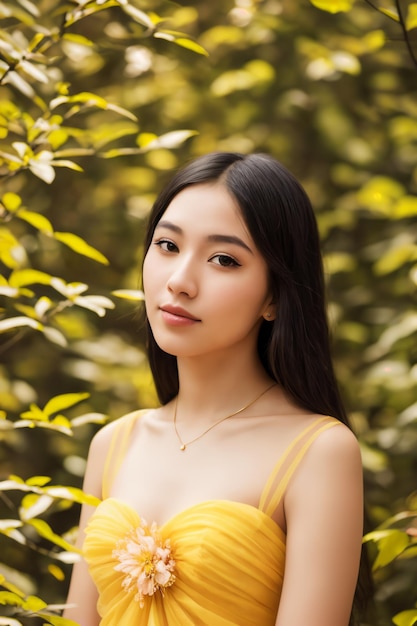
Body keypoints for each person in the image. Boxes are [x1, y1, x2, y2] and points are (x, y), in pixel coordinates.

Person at [63, 152, 371, 626]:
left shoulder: (318, 452)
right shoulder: (114, 444)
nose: (180, 281)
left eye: (223, 259)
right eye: (167, 245)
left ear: (274, 296)